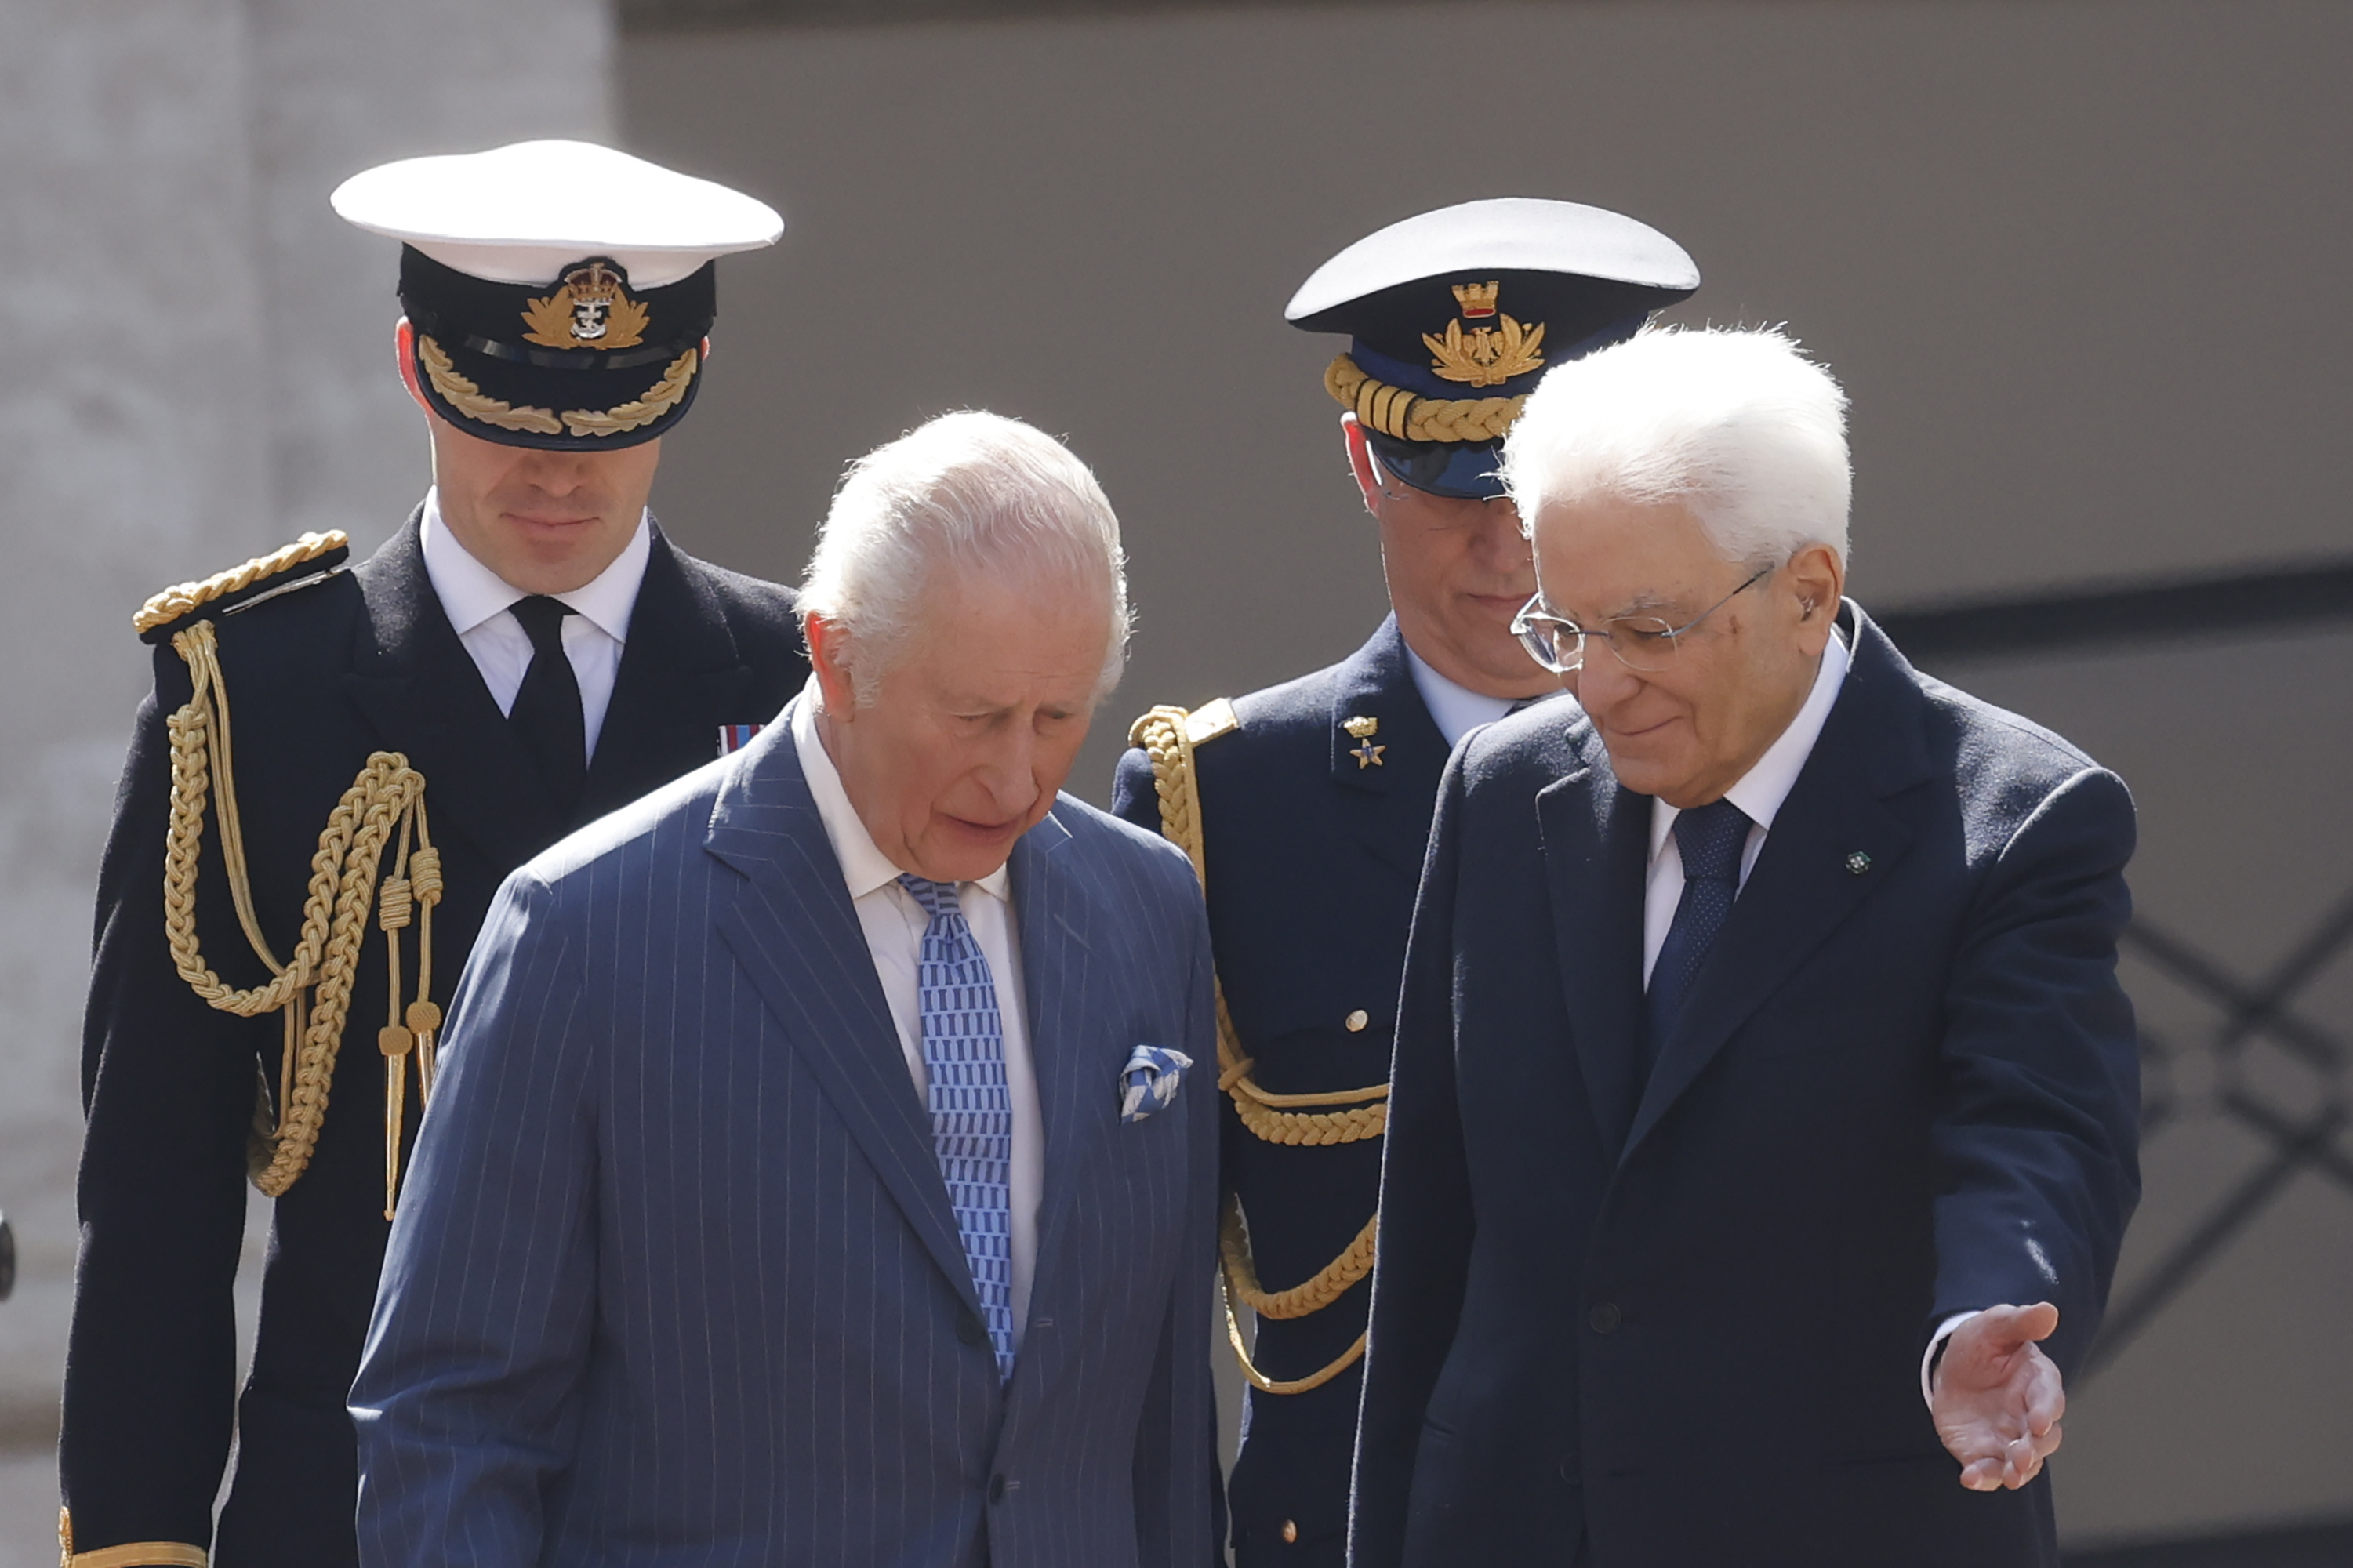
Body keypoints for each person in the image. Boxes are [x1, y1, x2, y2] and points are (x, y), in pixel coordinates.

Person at [60, 140, 808, 1568]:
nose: (557, 472)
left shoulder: (795, 693)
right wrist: (138, 1542)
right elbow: (158, 1188)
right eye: (512, 415)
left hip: (712, 1499)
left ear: (682, 386)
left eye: (608, 423)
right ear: (416, 365)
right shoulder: (251, 699)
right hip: (349, 1504)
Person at [350, 412, 1222, 1567]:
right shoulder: (586, 930)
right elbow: (450, 1424)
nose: (1017, 775)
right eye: (973, 717)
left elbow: (1159, 1420)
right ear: (833, 655)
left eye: (1059, 718)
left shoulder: (1146, 907)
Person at [1350, 327, 2141, 1567]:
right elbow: (1430, 1255)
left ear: (1807, 592)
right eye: (1567, 631)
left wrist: (1984, 1322)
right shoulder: (1502, 794)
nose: (1598, 684)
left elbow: (2034, 1132)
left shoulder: (2010, 819)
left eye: (1650, 630)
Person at [1111, 198, 1698, 1564]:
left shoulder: (1748, 761)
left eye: (1536, 490)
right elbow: (1129, 1293)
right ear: (1364, 469)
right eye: (1446, 487)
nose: (1499, 546)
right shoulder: (1226, 803)